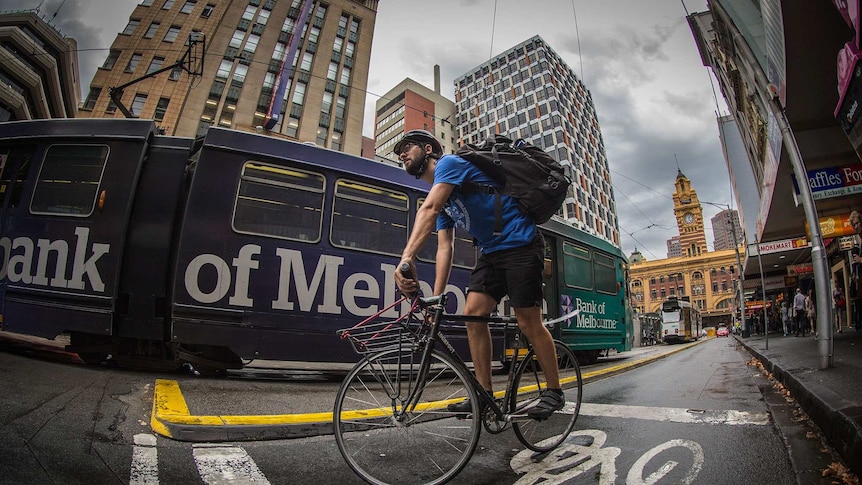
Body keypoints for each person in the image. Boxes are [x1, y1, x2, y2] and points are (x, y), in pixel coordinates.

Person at [391, 129, 564, 419]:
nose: (402, 154)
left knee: (527, 320)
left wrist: (406, 257)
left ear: (429, 149)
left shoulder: (449, 164)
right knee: (473, 313)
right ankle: (484, 394)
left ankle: (554, 392)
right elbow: (444, 247)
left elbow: (429, 209)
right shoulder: (445, 195)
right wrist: (435, 298)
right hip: (492, 252)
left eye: (407, 147)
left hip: (521, 244)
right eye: (399, 152)